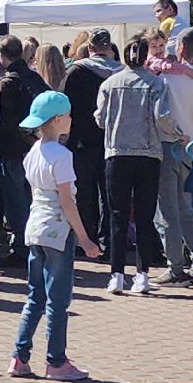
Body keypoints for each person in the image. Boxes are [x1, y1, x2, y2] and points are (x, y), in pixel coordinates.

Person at [8, 91, 102, 382]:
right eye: (69, 116)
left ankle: (20, 357)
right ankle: (56, 361)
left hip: (35, 227)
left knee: (35, 296)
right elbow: (66, 201)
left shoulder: (33, 152)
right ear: (59, 119)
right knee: (58, 301)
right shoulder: (62, 155)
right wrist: (85, 238)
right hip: (58, 231)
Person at [96, 36, 177, 295]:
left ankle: (116, 274)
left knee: (117, 215)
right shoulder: (156, 84)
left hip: (117, 153)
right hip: (148, 154)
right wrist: (177, 133)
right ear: (145, 57)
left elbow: (100, 118)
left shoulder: (110, 84)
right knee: (144, 216)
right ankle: (142, 275)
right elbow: (162, 117)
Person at [153, 28, 193, 285]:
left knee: (168, 211)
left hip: (168, 145)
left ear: (180, 48)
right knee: (188, 208)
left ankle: (175, 266)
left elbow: (159, 114)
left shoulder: (166, 80)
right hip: (192, 147)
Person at [60, 29, 120, 243]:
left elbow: (64, 106)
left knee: (84, 194)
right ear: (109, 47)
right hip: (112, 142)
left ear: (90, 48)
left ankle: (86, 239)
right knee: (110, 195)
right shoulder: (122, 74)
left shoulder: (76, 72)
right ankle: (110, 240)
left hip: (81, 142)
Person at [0, 35, 49, 264]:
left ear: (1, 55)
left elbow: (5, 121)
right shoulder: (35, 78)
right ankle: (36, 244)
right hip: (36, 147)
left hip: (12, 150)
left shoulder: (7, 83)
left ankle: (21, 248)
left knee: (16, 201)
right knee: (34, 198)